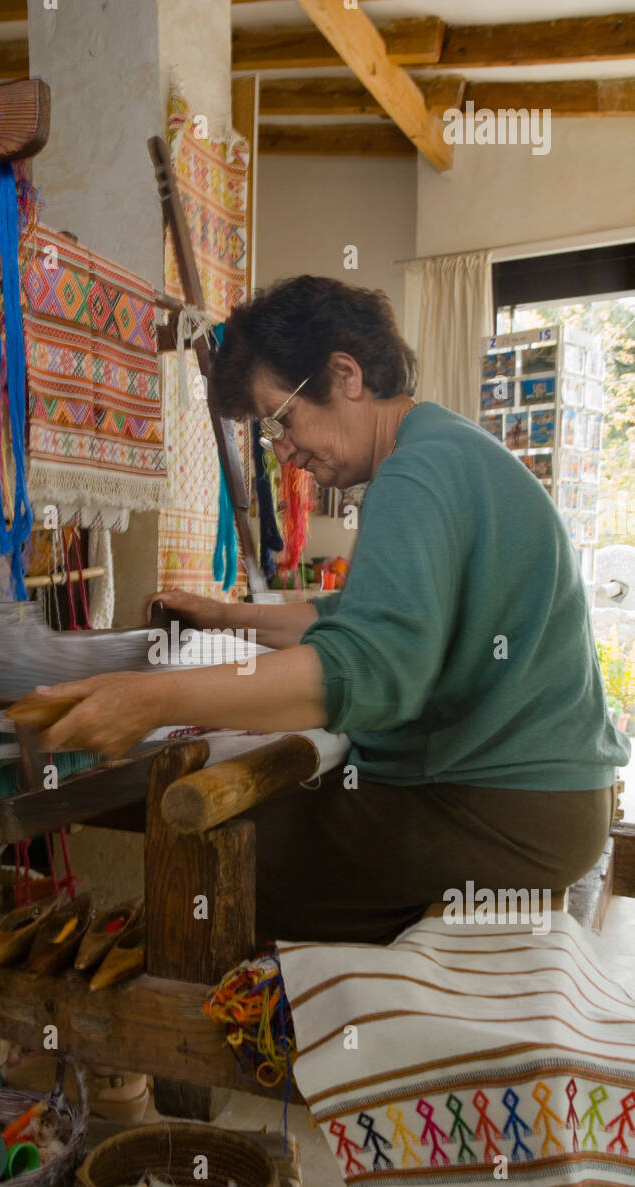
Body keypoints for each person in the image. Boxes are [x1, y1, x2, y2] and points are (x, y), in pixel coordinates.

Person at [34, 275, 629, 944]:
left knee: (228, 835)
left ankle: (251, 1018)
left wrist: (153, 702)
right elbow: (356, 616)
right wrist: (224, 617)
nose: (284, 450)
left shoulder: (416, 474)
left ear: (345, 374)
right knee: (264, 805)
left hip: (501, 816)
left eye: (283, 418)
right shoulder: (448, 451)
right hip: (547, 809)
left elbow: (372, 669)